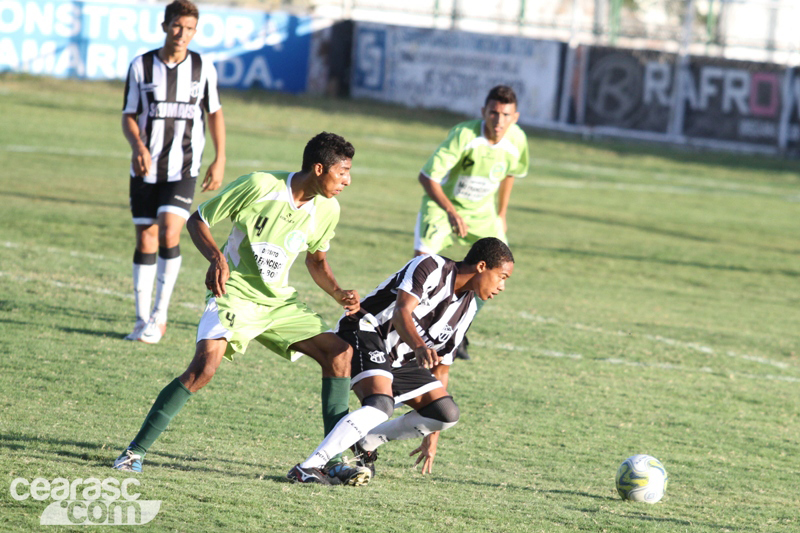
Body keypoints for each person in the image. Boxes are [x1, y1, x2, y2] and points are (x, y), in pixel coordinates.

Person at [114, 132, 368, 486]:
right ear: (319, 168)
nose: (347, 181)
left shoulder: (328, 209)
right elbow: (198, 219)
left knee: (339, 353)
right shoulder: (260, 185)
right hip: (233, 294)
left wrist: (338, 292)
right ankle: (133, 453)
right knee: (203, 369)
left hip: (278, 304)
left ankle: (333, 461)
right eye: (342, 173)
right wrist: (216, 258)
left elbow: (316, 260)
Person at [288, 237, 515, 485]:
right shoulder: (432, 266)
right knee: (380, 405)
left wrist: (432, 435)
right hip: (365, 331)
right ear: (482, 266)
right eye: (502, 277)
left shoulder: (468, 309)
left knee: (446, 414)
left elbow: (441, 367)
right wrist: (419, 346)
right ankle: (309, 467)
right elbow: (401, 311)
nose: (502, 287)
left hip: (402, 359)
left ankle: (366, 441)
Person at [122, 0, 226, 344]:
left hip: (184, 166)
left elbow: (214, 113)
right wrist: (138, 147)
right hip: (146, 167)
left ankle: (159, 315)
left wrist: (220, 158)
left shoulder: (202, 67)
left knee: (169, 232)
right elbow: (128, 115)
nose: (183, 34)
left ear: (195, 32)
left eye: (190, 28)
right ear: (165, 26)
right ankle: (141, 318)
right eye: (178, 26)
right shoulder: (141, 66)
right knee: (146, 238)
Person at [414, 85, 528, 360]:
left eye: (506, 115)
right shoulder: (464, 135)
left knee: (500, 268)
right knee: (421, 268)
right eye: (494, 113)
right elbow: (427, 177)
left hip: (482, 213)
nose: (499, 120)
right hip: (443, 207)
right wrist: (451, 212)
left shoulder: (517, 140)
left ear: (515, 117)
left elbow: (510, 173)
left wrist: (501, 213)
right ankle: (415, 330)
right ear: (483, 112)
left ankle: (459, 326)